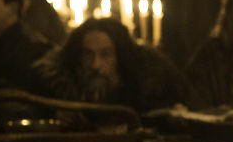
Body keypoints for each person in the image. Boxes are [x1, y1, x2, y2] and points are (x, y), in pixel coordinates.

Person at [32, 17, 191, 113]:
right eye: (88, 54)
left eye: (105, 54)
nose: (96, 65)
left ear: (120, 57)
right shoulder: (53, 89)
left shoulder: (151, 90)